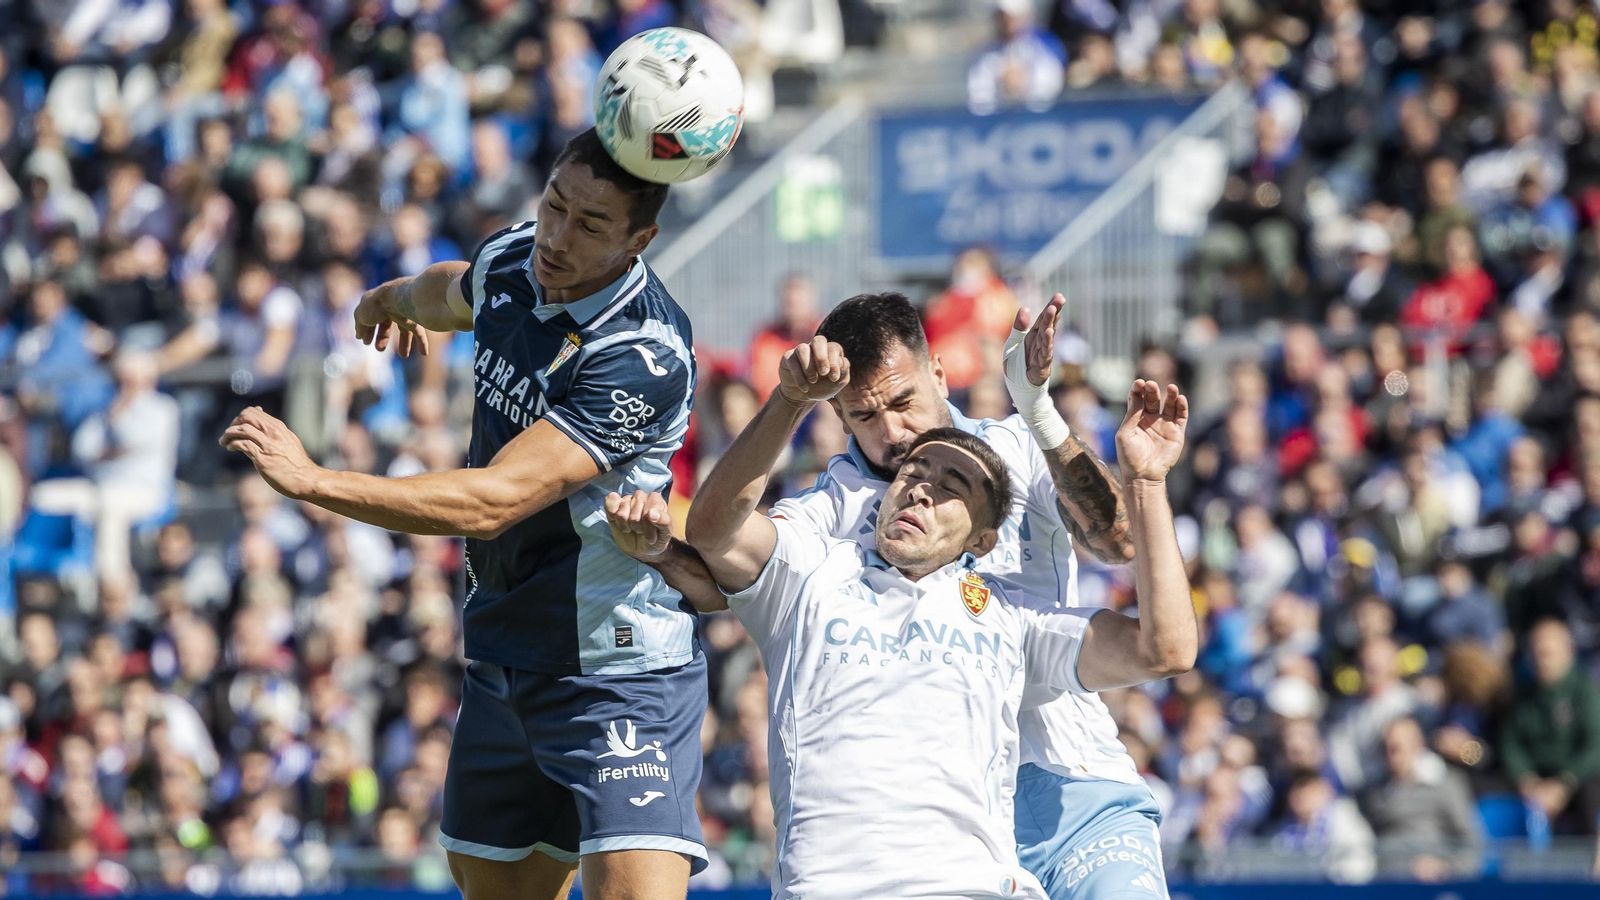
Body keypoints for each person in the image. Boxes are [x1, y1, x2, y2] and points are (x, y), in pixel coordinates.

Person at [219, 128, 705, 900]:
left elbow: (493, 501)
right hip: (504, 653)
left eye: (590, 225)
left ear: (638, 239)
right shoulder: (517, 255)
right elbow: (459, 287)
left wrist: (315, 481)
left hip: (617, 671)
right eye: (554, 205)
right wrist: (394, 298)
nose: (557, 236)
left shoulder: (639, 354)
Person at [647, 293, 1188, 900]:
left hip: (1072, 782)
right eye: (864, 416)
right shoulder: (827, 508)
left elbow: (1117, 542)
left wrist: (1037, 407)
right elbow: (738, 573)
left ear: (938, 372)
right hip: (936, 822)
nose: (893, 433)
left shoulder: (1016, 444)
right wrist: (656, 548)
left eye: (903, 402)